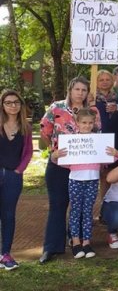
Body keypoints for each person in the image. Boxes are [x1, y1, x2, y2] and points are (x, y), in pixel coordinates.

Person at [39, 76, 101, 264]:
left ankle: (80, 243)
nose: (80, 93)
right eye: (77, 89)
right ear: (70, 89)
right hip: (59, 166)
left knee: (82, 207)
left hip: (84, 167)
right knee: (58, 205)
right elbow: (44, 132)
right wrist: (51, 151)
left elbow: (98, 136)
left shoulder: (93, 111)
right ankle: (52, 247)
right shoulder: (56, 108)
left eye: (84, 90)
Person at [53, 108, 118, 258]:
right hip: (75, 179)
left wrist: (115, 154)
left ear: (94, 123)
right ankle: (76, 242)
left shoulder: (99, 140)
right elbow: (60, 161)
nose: (87, 125)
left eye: (90, 123)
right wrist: (55, 155)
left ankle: (87, 242)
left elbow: (107, 159)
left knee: (88, 211)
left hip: (93, 179)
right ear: (77, 123)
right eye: (84, 122)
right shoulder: (71, 140)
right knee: (76, 210)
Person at [0, 90, 33, 270]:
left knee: (8, 215)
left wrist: (19, 170)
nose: (13, 105)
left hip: (14, 177)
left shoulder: (25, 127)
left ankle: (5, 254)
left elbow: (28, 152)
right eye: (8, 102)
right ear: (2, 105)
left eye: (16, 102)